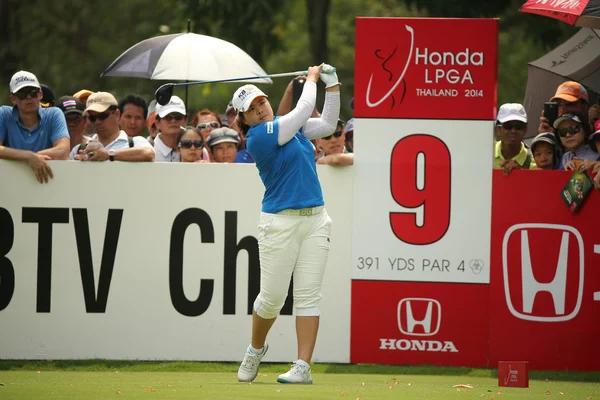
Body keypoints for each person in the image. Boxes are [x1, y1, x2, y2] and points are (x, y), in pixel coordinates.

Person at [232, 64, 341, 385]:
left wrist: (332, 85)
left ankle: (302, 366)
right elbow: (305, 107)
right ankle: (255, 349)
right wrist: (310, 80)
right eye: (251, 109)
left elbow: (327, 123)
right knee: (272, 298)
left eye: (261, 103)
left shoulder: (285, 126)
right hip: (279, 223)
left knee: (309, 296)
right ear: (244, 120)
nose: (260, 110)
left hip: (316, 220)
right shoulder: (259, 138)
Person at [0, 70, 70, 183]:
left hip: (47, 184)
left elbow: (63, 151)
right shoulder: (3, 113)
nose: (29, 97)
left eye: (33, 92)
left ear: (40, 94)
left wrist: (32, 157)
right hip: (11, 184)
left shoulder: (54, 114)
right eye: (22, 94)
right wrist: (28, 157)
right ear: (13, 99)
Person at [493, 103, 536, 174]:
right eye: (508, 126)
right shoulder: (485, 155)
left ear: (525, 130)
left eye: (519, 126)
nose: (513, 131)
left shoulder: (534, 164)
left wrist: (520, 174)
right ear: (498, 130)